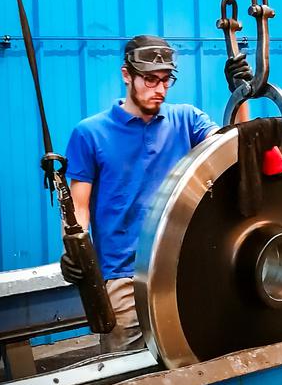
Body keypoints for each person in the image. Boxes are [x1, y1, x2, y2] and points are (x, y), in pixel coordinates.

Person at [60, 34, 252, 353]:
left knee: (191, 360)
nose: (159, 89)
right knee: (126, 371)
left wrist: (241, 94)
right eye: (150, 79)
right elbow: (79, 208)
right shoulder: (89, 134)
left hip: (181, 269)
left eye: (166, 80)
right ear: (127, 75)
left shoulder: (186, 120)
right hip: (122, 278)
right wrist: (74, 249)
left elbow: (236, 149)